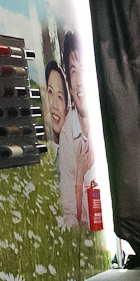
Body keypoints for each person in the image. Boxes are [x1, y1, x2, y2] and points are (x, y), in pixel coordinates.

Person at [57, 31, 96, 228]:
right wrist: (80, 173)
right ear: (69, 86)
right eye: (73, 72)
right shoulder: (67, 136)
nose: (79, 81)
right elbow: (70, 215)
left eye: (83, 70)